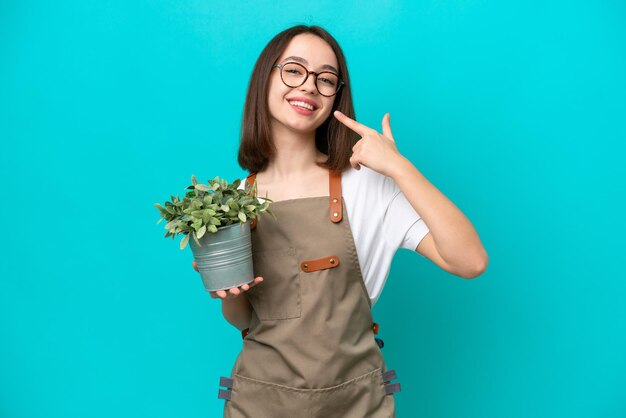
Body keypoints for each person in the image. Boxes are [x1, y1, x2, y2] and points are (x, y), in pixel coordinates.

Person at [192, 24, 488, 417]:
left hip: (356, 405)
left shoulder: (367, 185)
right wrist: (227, 291)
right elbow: (243, 319)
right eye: (294, 70)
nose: (309, 86)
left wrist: (400, 169)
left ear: (336, 97)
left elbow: (470, 260)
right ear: (265, 78)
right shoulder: (233, 200)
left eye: (326, 79)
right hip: (259, 404)